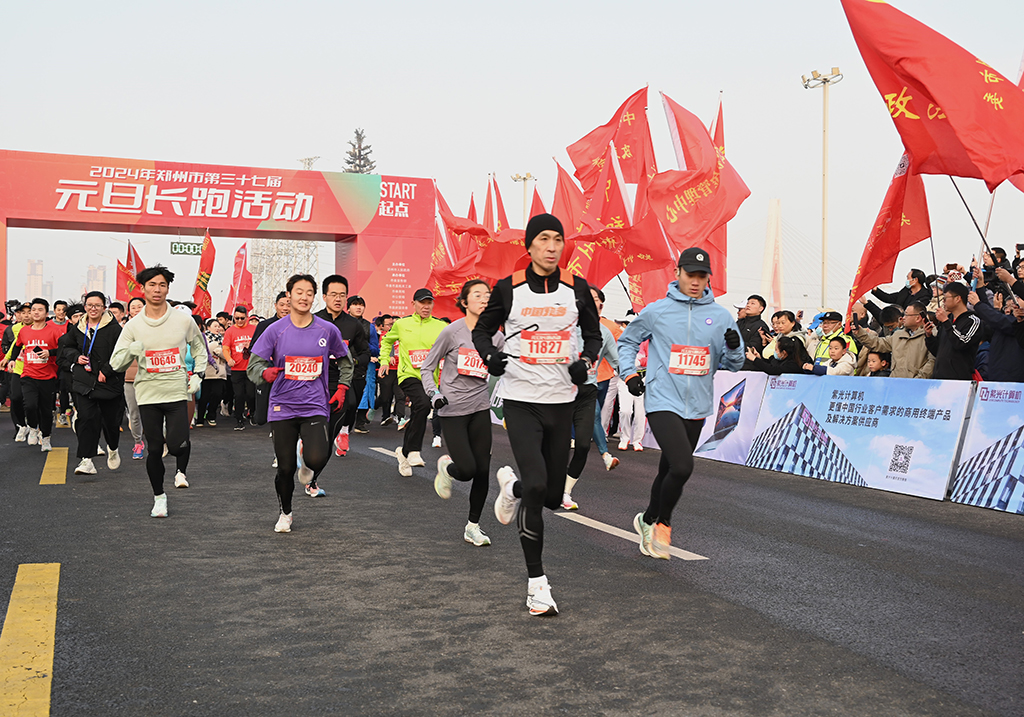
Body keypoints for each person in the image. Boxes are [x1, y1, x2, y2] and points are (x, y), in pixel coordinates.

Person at [472, 213, 602, 616]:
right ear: (528, 247)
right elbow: (482, 330)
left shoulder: (576, 289)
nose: (551, 246)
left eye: (557, 239)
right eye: (543, 239)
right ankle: (537, 585)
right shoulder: (507, 289)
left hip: (561, 401)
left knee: (548, 496)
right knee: (537, 485)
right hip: (521, 399)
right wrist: (490, 356)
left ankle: (509, 488)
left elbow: (594, 335)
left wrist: (586, 359)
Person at [619, 247, 744, 560]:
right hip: (662, 399)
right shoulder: (657, 310)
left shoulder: (722, 316)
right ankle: (663, 523)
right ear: (677, 273)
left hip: (698, 405)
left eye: (702, 276)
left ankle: (645, 519)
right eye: (690, 274)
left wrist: (731, 348)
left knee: (668, 468)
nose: (696, 281)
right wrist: (629, 373)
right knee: (683, 465)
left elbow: (733, 363)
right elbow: (628, 341)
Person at [247, 274, 353, 533]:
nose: (304, 297)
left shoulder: (327, 330)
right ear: (289, 295)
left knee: (316, 458)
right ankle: (285, 512)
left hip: (315, 404)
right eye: (299, 292)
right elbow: (253, 365)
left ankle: (306, 462)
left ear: (314, 297)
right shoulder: (275, 330)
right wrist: (264, 373)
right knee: (284, 468)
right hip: (282, 405)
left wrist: (342, 387)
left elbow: (345, 359)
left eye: (309, 293)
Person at [110, 266, 207, 517]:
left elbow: (199, 348)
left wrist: (198, 373)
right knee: (154, 449)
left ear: (167, 289)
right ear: (143, 289)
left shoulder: (183, 320)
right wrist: (132, 350)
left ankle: (179, 461)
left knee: (176, 445)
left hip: (177, 392)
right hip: (148, 394)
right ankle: (159, 497)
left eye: (162, 285)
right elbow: (115, 363)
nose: (157, 289)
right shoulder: (132, 326)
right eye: (152, 285)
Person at [420, 279, 504, 546]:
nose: (484, 299)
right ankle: (447, 467)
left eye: (487, 295)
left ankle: (473, 526)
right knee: (466, 469)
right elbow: (427, 367)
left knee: (482, 471)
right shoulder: (452, 332)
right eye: (477, 295)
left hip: (480, 408)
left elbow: (505, 372)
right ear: (464, 302)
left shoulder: (497, 336)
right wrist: (435, 394)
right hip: (452, 409)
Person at [562, 285, 620, 510]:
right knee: (556, 446)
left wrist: (633, 376)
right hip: (560, 393)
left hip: (587, 393)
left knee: (583, 446)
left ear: (600, 305)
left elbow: (616, 362)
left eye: (594, 299)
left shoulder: (604, 333)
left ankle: (566, 492)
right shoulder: (564, 327)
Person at [378, 288, 446, 476]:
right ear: (413, 304)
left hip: (430, 378)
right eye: (422, 302)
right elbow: (386, 342)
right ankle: (414, 451)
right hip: (408, 375)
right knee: (423, 404)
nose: (426, 306)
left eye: (429, 303)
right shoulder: (402, 324)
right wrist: (384, 360)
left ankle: (404, 452)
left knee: (420, 409)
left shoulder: (440, 327)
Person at [59, 292, 125, 474]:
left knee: (110, 422)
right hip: (84, 381)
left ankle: (113, 448)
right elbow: (67, 346)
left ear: (104, 308)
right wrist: (75, 357)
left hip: (109, 382)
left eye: (97, 305)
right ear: (85, 306)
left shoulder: (115, 329)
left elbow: (122, 353)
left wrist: (107, 370)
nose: (93, 308)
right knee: (86, 418)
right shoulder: (79, 327)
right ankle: (86, 460)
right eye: (89, 305)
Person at [1, 298, 67, 451]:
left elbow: (64, 350)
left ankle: (45, 438)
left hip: (48, 377)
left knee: (45, 409)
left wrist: (49, 352)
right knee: (29, 405)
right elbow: (17, 346)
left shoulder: (54, 331)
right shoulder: (25, 330)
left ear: (46, 312)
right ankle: (32, 427)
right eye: (34, 310)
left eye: (40, 310)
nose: (36, 313)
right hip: (28, 375)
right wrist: (11, 360)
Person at [314, 276, 369, 457]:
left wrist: (353, 362)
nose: (338, 299)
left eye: (342, 295)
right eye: (334, 294)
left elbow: (365, 352)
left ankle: (344, 431)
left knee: (351, 403)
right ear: (324, 296)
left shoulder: (354, 325)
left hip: (345, 375)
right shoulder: (314, 321)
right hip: (319, 375)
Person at [850, 301, 934, 379]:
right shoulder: (898, 335)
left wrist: (918, 380)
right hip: (894, 383)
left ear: (918, 318)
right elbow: (877, 343)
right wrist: (860, 333)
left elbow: (931, 362)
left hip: (917, 386)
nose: (903, 318)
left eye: (907, 315)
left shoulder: (931, 335)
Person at [924, 282, 982, 381]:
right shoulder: (948, 320)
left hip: (959, 381)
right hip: (939, 379)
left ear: (957, 298)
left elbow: (961, 343)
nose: (943, 301)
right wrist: (929, 337)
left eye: (945, 298)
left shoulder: (972, 320)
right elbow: (938, 351)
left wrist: (946, 322)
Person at [222, 305, 256, 430]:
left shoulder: (254, 329)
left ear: (247, 317)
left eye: (242, 318)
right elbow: (225, 348)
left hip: (251, 368)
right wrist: (228, 359)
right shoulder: (230, 331)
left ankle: (252, 412)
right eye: (237, 318)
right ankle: (239, 419)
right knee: (239, 395)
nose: (240, 321)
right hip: (236, 368)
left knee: (251, 394)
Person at [122, 297, 146, 458]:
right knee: (134, 413)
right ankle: (138, 443)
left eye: (139, 306)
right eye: (133, 307)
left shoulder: (154, 326)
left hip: (151, 377)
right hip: (130, 377)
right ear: (128, 311)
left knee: (153, 412)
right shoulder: (123, 330)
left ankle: (159, 441)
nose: (136, 309)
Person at [2, 303, 30, 440]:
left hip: (35, 370)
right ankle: (20, 426)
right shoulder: (14, 328)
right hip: (18, 368)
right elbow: (15, 344)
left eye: (29, 312)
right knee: (15, 397)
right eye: (22, 312)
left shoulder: (41, 329)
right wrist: (7, 358)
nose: (26, 315)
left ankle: (35, 427)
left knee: (33, 402)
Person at [196, 318, 228, 426]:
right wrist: (213, 347)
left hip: (220, 372)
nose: (218, 328)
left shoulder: (223, 340)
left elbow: (227, 355)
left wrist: (219, 352)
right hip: (207, 372)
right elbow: (203, 352)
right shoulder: (204, 339)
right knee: (204, 396)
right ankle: (200, 418)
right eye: (215, 326)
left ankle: (211, 416)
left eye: (219, 326)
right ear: (208, 327)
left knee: (217, 394)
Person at [616, 340, 647, 452]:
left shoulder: (647, 341)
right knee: (625, 411)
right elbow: (616, 358)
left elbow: (653, 358)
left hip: (642, 378)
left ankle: (637, 441)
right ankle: (624, 438)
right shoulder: (623, 342)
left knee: (640, 413)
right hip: (625, 378)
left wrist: (640, 361)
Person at [375, 315, 406, 427]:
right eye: (389, 324)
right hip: (387, 369)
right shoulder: (383, 335)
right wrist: (390, 356)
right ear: (382, 326)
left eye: (393, 324)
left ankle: (401, 417)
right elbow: (385, 344)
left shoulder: (402, 336)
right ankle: (384, 415)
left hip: (399, 370)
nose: (392, 326)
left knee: (400, 395)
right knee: (385, 396)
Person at [746, 335, 813, 375]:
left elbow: (773, 370)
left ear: (784, 353)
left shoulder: (795, 364)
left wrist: (755, 360)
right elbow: (771, 364)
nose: (775, 352)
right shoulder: (782, 359)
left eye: (776, 349)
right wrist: (759, 357)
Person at [737, 294, 770, 370]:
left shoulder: (761, 326)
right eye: (748, 303)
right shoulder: (739, 323)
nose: (748, 305)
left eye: (752, 303)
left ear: (761, 308)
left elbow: (754, 347)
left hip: (749, 367)